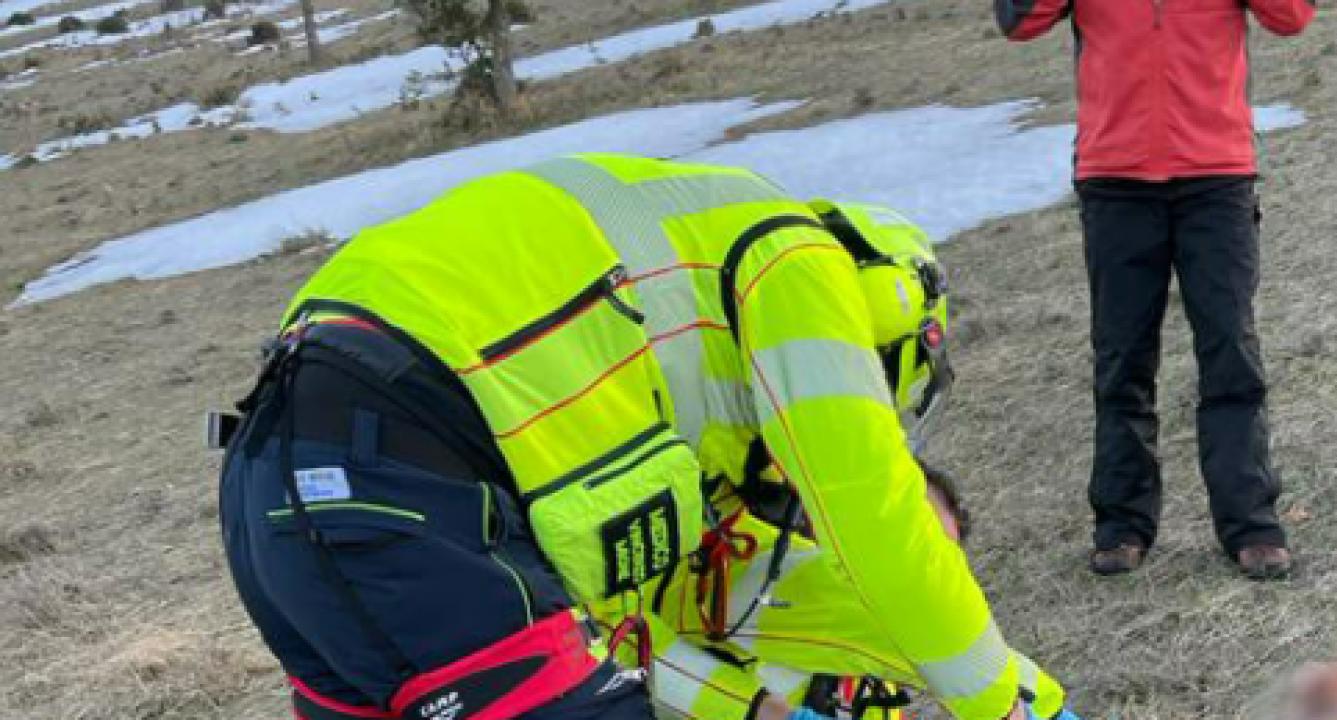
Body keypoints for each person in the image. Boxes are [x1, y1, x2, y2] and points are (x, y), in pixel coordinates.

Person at [215, 155, 1077, 720]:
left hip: (274, 480)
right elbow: (878, 520)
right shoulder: (796, 260)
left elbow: (617, 639)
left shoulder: (641, 360)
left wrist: (760, 710)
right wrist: (1010, 703)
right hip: (408, 468)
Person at [993, 0, 1317, 579]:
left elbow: (1291, 16)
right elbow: (1018, 21)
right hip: (1115, 180)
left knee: (1230, 353)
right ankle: (1121, 525)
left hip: (1216, 177)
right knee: (1121, 359)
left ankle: (1251, 525)